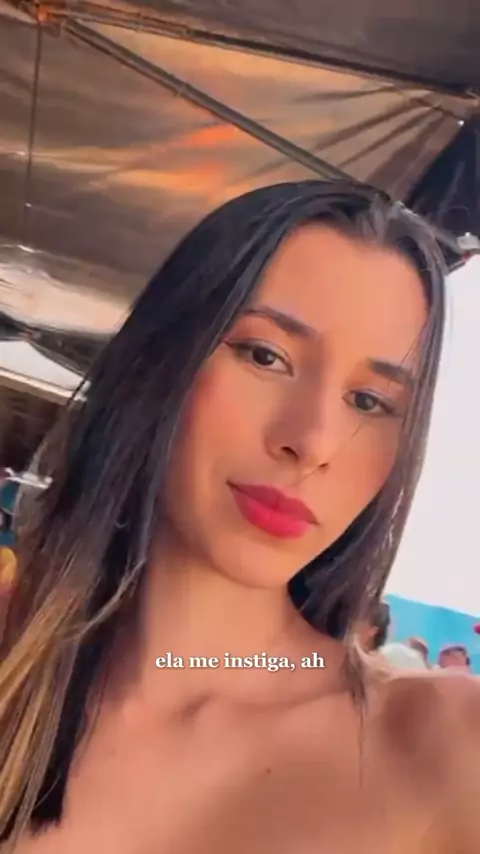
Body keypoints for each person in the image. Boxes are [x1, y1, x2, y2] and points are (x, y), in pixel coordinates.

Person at [1, 180, 479, 854]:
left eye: (370, 401)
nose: (311, 442)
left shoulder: (446, 751)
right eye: (265, 356)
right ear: (159, 359)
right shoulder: (17, 678)